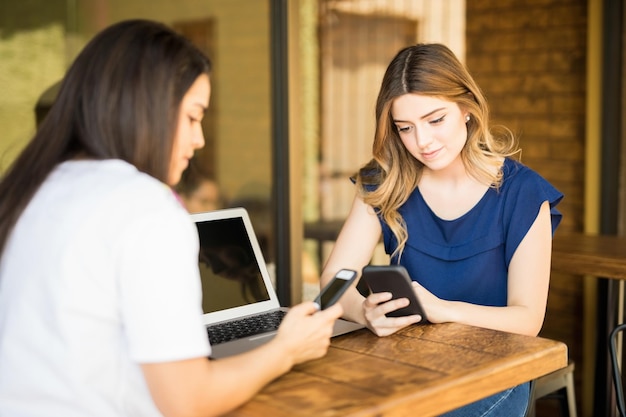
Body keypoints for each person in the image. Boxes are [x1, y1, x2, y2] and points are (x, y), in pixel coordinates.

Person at [0, 19, 343, 417]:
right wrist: (287, 349)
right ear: (146, 109)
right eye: (194, 117)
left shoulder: (32, 189)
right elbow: (187, 402)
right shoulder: (145, 208)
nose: (199, 141)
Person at [319, 43, 563, 417]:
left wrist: (443, 310)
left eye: (435, 120)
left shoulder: (523, 192)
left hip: (494, 372)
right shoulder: (382, 183)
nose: (423, 142)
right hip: (407, 365)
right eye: (405, 128)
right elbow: (332, 281)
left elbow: (527, 319)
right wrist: (362, 311)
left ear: (466, 109)